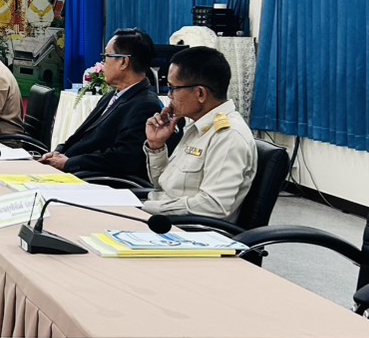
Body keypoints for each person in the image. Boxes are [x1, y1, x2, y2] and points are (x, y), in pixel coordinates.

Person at [140, 45, 258, 220]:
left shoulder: (228, 135)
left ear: (200, 93)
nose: (169, 96)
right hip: (164, 217)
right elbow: (163, 185)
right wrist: (156, 146)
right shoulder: (197, 127)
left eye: (173, 88)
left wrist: (147, 207)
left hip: (187, 229)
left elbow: (214, 205)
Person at [39, 28, 160, 180]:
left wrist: (69, 163)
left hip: (95, 180)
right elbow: (83, 136)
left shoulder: (145, 105)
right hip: (75, 171)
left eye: (106, 57)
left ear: (123, 62)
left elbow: (124, 158)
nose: (103, 63)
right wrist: (58, 152)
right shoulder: (111, 96)